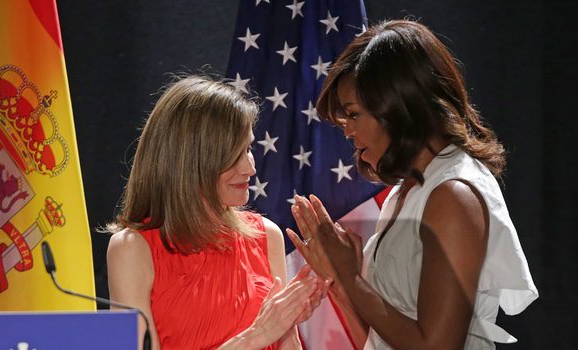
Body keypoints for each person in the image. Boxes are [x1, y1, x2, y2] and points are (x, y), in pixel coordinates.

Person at [285, 20, 538, 349]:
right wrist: (341, 281)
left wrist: (352, 276)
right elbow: (381, 339)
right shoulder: (410, 190)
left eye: (354, 114)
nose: (347, 131)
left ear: (398, 107)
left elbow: (436, 346)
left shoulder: (453, 193)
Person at [106, 75, 329, 350]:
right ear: (189, 161)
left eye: (248, 148)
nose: (250, 168)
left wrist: (287, 324)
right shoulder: (132, 250)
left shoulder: (267, 235)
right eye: (233, 155)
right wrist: (256, 336)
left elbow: (285, 344)